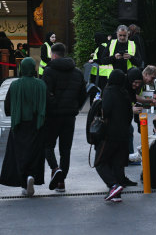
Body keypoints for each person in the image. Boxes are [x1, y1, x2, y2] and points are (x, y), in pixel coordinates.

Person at [42, 43, 87, 193]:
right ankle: (61, 182)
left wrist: (53, 106)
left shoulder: (48, 71)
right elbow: (83, 94)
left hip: (53, 116)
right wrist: (75, 107)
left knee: (47, 145)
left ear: (53, 55)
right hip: (70, 116)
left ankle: (55, 169)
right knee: (65, 149)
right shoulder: (78, 73)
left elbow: (46, 94)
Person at [0, 57, 46, 197]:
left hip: (19, 124)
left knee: (19, 153)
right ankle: (32, 175)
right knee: (35, 152)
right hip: (37, 124)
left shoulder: (15, 85)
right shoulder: (41, 84)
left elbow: (7, 106)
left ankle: (24, 182)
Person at [96, 69, 134, 203]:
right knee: (117, 164)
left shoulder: (108, 91)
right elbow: (130, 114)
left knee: (100, 162)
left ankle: (113, 185)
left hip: (109, 134)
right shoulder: (125, 93)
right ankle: (117, 194)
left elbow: (105, 111)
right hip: (124, 135)